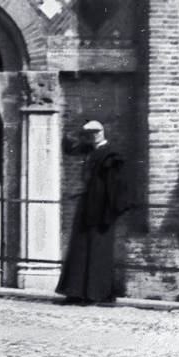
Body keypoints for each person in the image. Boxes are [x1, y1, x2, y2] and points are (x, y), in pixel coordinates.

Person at [56, 121, 129, 304]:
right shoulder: (90, 151)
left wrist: (109, 213)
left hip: (101, 210)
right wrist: (80, 132)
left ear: (104, 132)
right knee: (80, 249)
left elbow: (114, 186)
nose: (94, 135)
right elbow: (69, 146)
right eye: (91, 133)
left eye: (97, 132)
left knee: (97, 252)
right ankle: (75, 292)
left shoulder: (111, 154)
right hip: (87, 206)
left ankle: (94, 295)